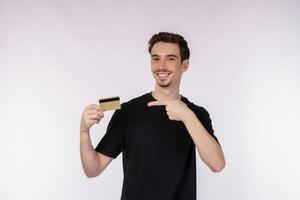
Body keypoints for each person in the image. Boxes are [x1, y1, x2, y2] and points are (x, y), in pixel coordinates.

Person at [80, 32, 225, 200]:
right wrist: (84, 132)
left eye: (170, 59)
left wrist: (187, 115)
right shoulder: (128, 111)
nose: (161, 66)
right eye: (156, 58)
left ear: (184, 65)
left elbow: (217, 164)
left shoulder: (196, 114)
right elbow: (93, 169)